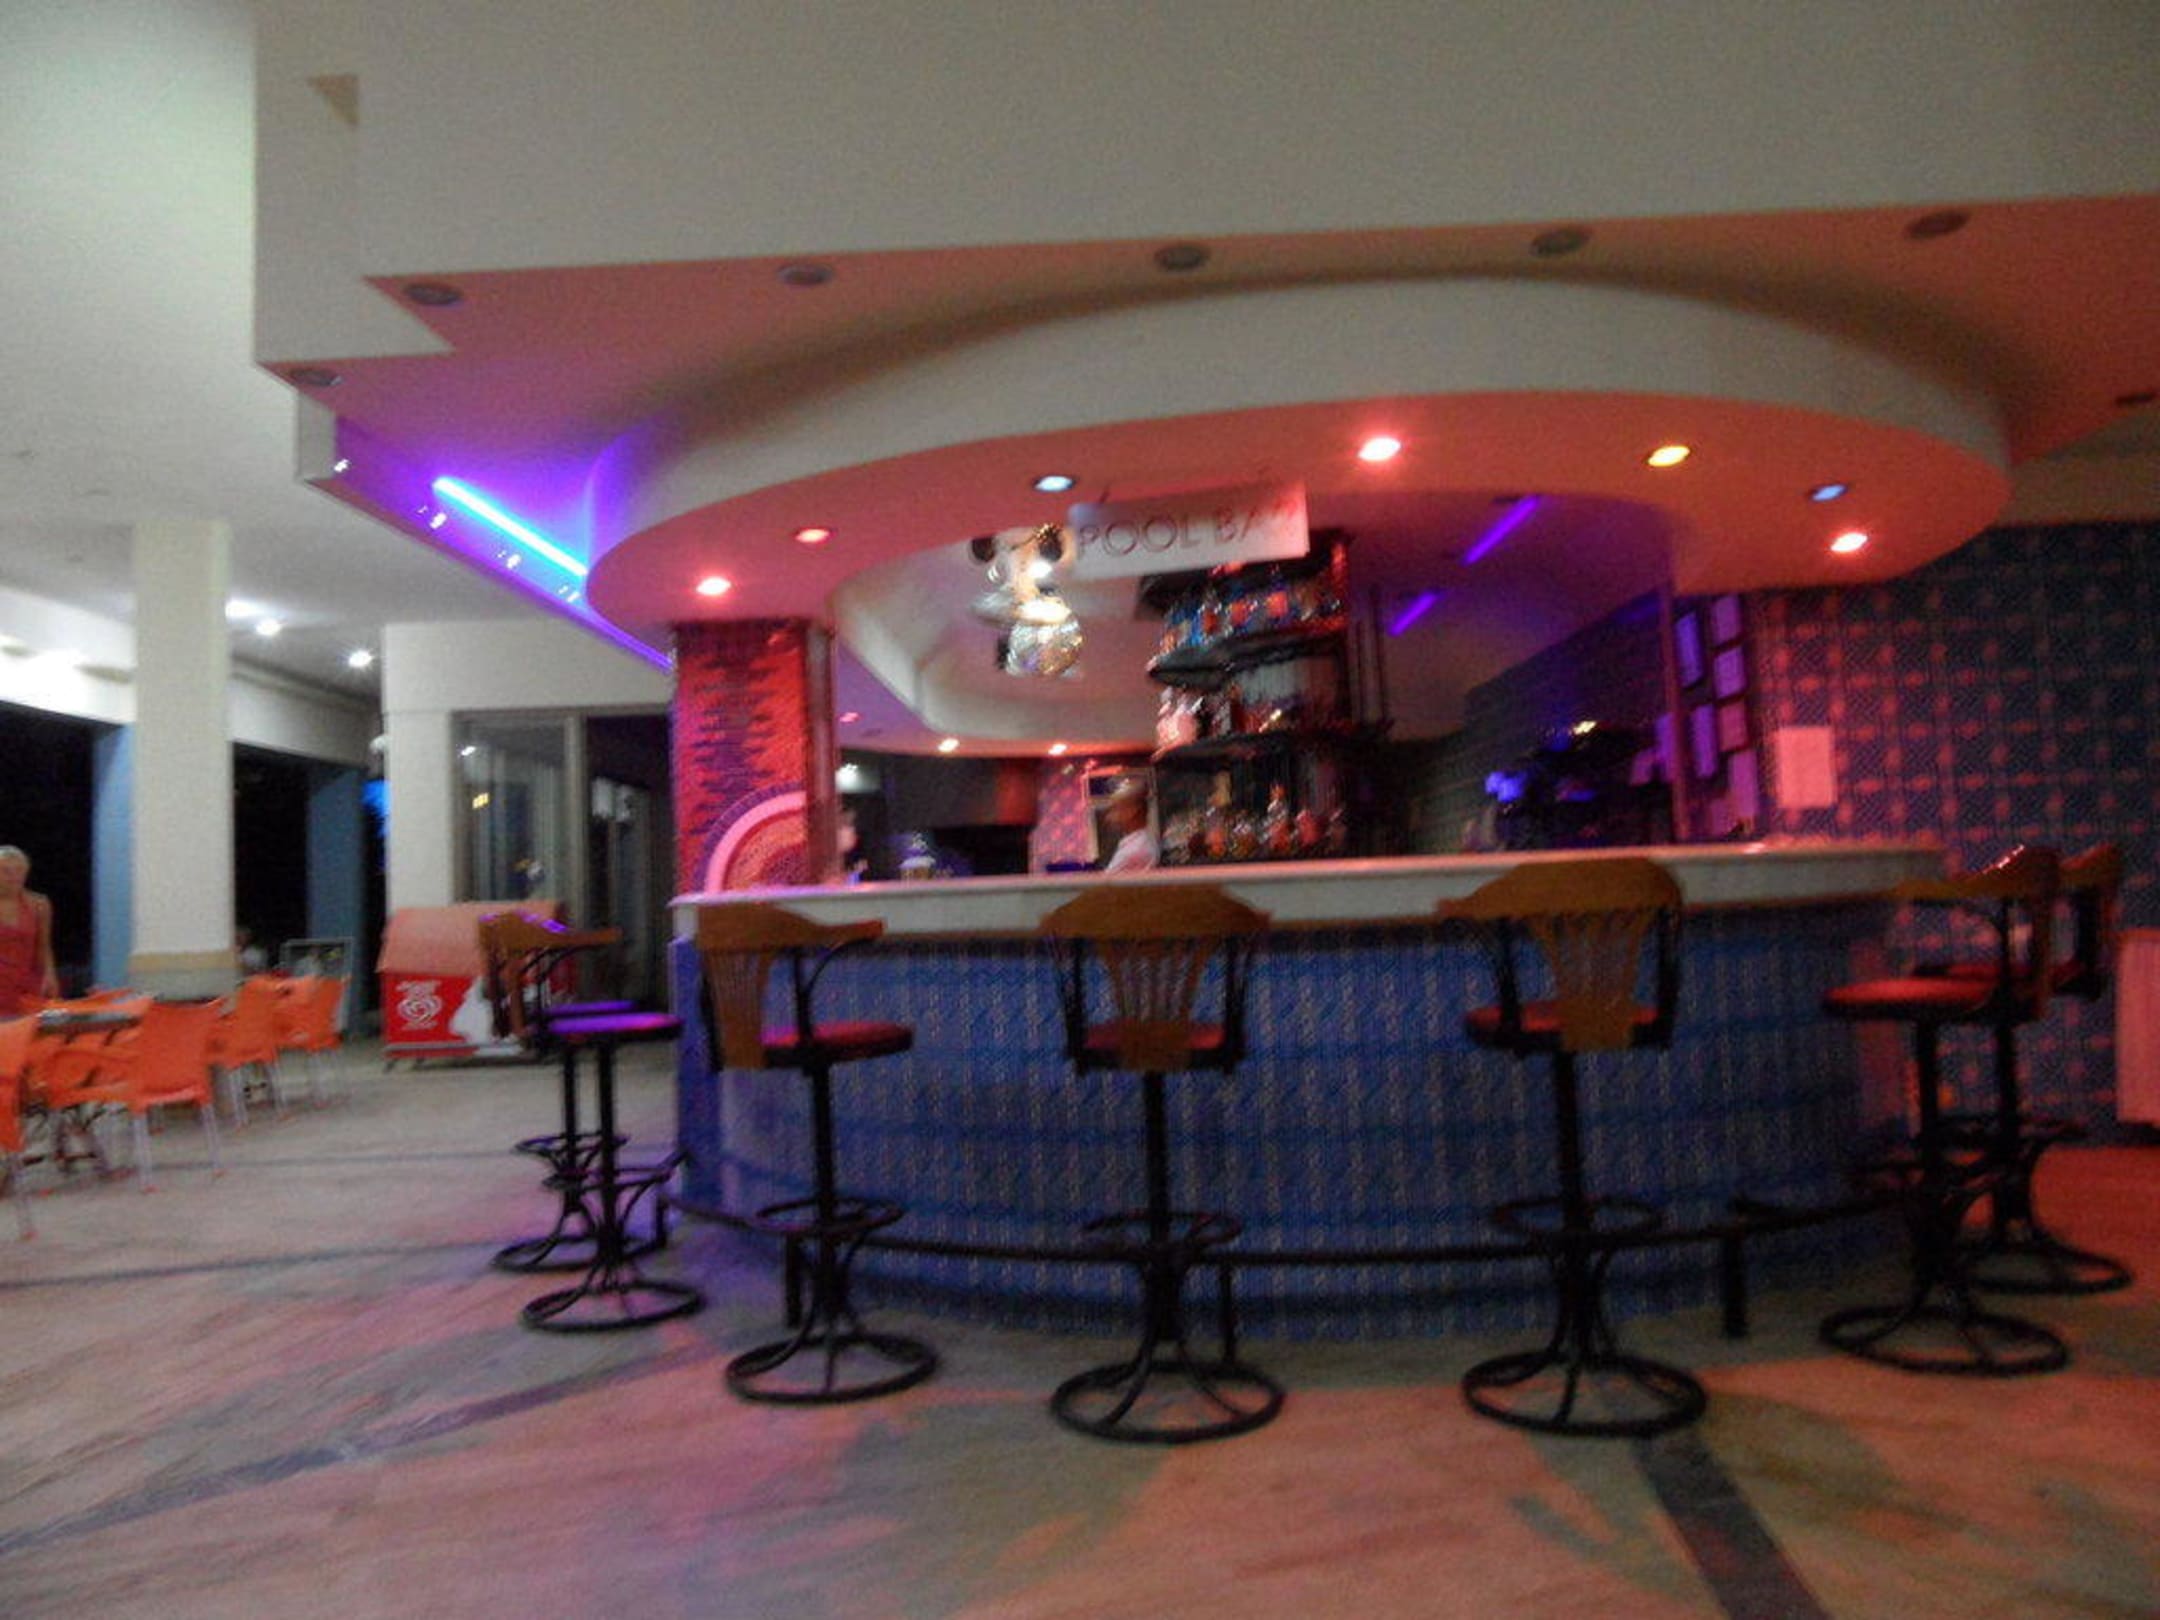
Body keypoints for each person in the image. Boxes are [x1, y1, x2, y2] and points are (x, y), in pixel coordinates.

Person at [0, 845, 60, 1015]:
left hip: (27, 983)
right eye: (5, 871)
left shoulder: (39, 904)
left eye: (19, 870)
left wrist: (49, 975)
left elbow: (43, 946)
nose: (13, 876)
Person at [1100, 782, 1159, 874]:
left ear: (1132, 811)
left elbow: (1105, 881)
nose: (1109, 817)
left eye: (1116, 809)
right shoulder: (1137, 842)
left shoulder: (1136, 849)